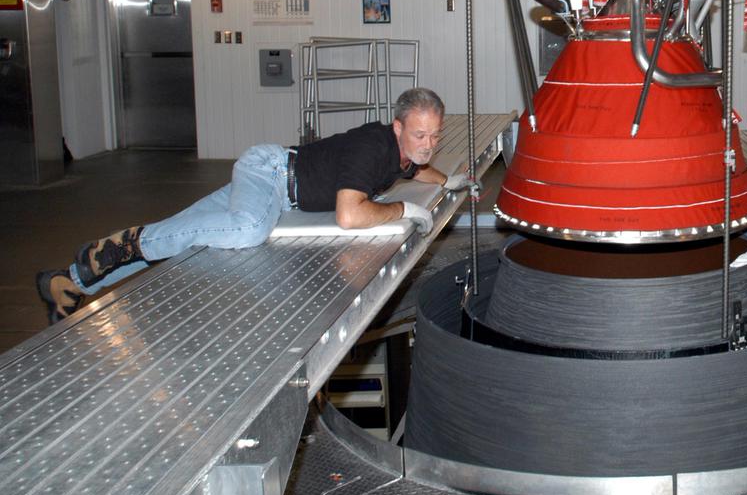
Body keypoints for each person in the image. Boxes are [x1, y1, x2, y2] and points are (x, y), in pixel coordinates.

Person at [36, 87, 473, 324]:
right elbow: (349, 215)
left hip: (274, 181)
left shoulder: (400, 152)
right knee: (248, 230)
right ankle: (126, 242)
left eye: (435, 135)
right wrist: (403, 212)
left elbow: (417, 170)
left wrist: (449, 180)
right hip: (270, 175)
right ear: (397, 127)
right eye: (420, 135)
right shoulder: (374, 149)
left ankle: (68, 280)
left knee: (180, 235)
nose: (428, 144)